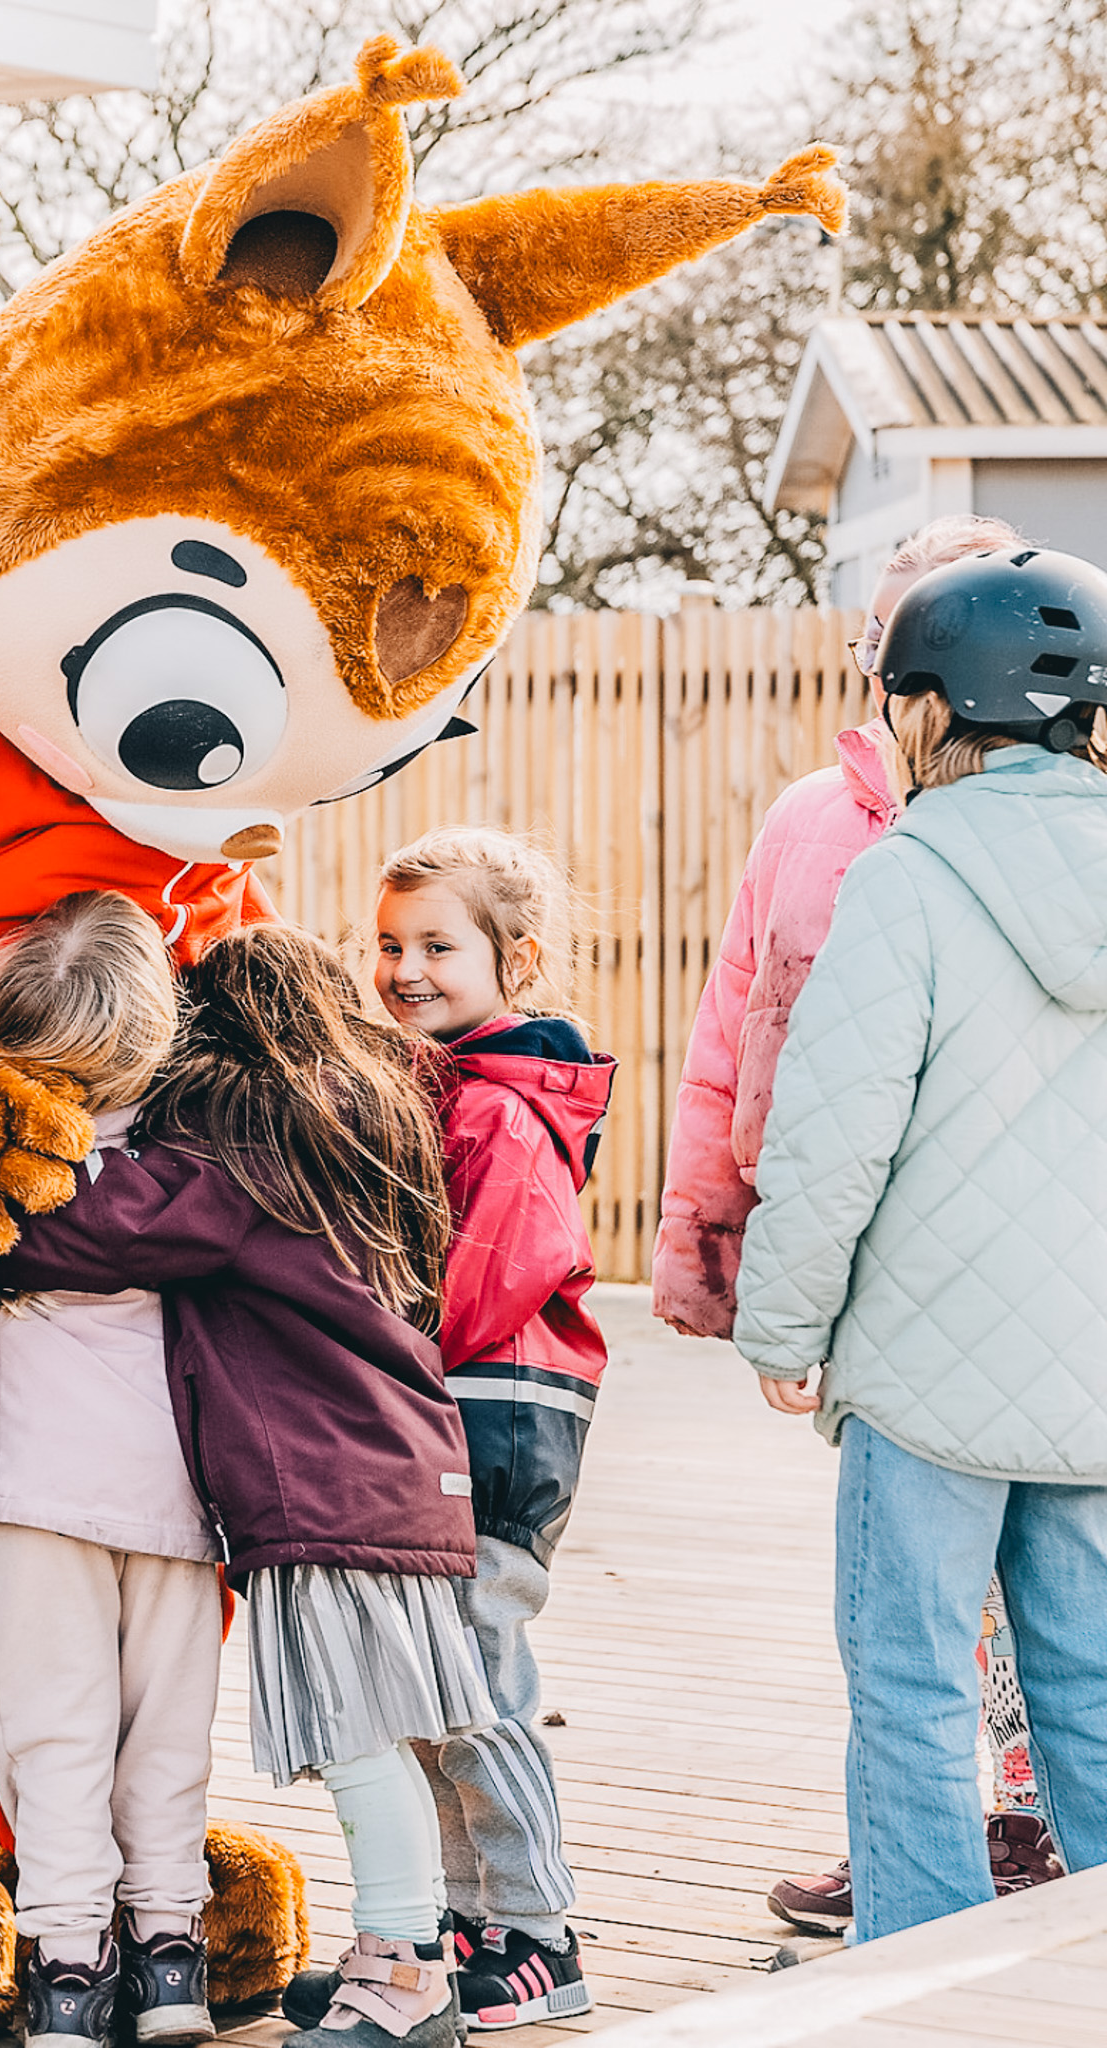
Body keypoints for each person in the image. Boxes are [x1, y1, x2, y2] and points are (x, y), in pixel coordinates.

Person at [650, 514, 1063, 1932]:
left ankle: (926, 1952)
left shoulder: (911, 872)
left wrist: (784, 1322)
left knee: (908, 1664)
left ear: (935, 702)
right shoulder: (837, 835)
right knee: (1086, 1671)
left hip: (920, 1350)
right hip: (1081, 1352)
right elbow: (759, 1055)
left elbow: (836, 1135)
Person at [0, 925, 488, 2048]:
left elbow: (107, 1225)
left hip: (325, 1489)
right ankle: (394, 1952)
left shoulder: (247, 1137)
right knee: (383, 1732)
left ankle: (405, 1974)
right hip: (385, 1473)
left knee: (359, 1737)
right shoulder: (347, 1118)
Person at [0, 893, 218, 2048]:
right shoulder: (203, 1158)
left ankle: (67, 1959)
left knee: (50, 1725)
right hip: (177, 1486)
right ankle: (171, 1953)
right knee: (168, 1725)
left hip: (33, 1491)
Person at [371, 828, 613, 2031]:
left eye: (436, 944)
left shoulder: (503, 1108)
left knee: (475, 1682)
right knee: (434, 1682)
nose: (404, 967)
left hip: (498, 1417)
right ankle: (473, 1915)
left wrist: (372, 1332)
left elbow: (481, 1277)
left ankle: (537, 1930)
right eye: (387, 943)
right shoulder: (451, 1083)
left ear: (513, 959)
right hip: (448, 1409)